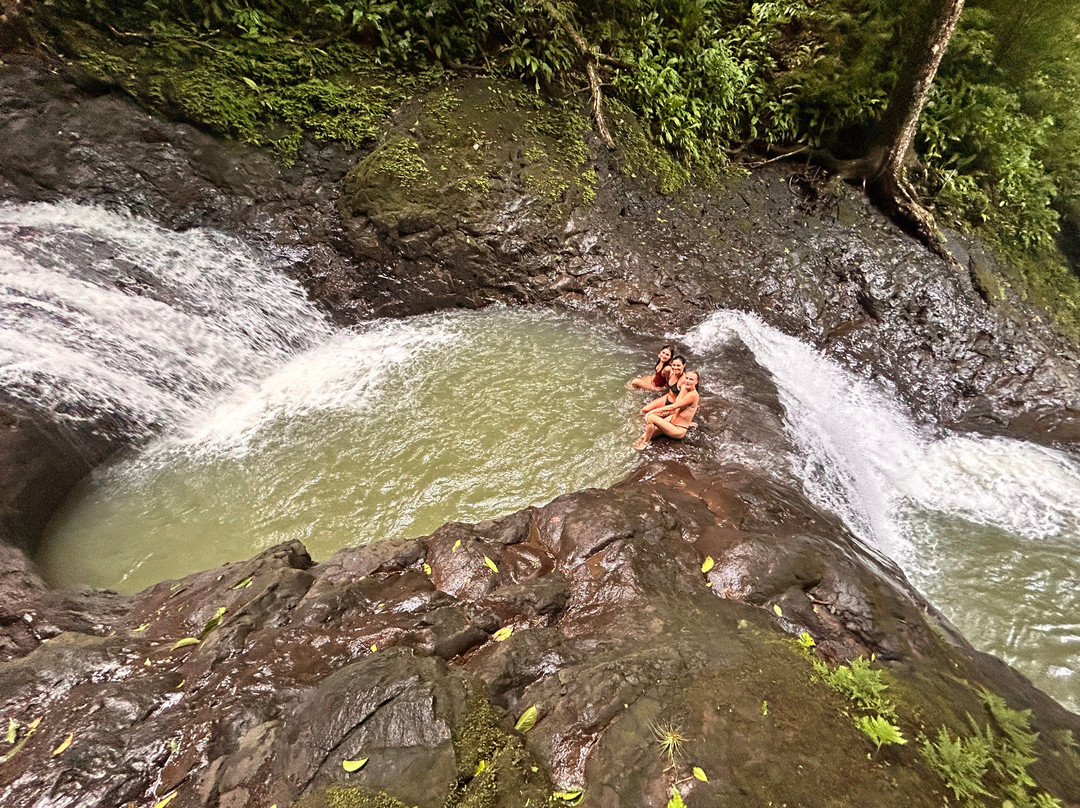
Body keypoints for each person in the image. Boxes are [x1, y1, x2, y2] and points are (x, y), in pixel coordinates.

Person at [633, 370, 699, 450]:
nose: (688, 381)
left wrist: (653, 411)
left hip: (678, 429)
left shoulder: (693, 395)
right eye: (687, 378)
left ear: (696, 382)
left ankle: (646, 443)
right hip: (671, 419)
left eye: (691, 379)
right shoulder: (683, 387)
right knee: (641, 437)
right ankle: (643, 440)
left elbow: (673, 406)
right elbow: (682, 405)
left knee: (651, 418)